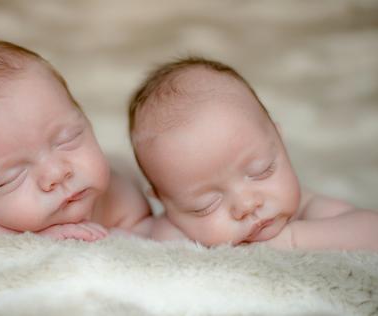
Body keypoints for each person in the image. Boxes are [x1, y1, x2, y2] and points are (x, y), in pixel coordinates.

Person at [0, 36, 152, 241]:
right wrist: (29, 241)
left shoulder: (119, 195)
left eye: (68, 139)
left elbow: (148, 237)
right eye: (11, 178)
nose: (56, 175)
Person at [128, 56, 378, 251]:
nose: (247, 205)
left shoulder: (308, 208)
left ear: (280, 141)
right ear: (164, 201)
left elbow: (371, 230)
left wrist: (292, 240)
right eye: (205, 205)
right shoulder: (173, 229)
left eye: (262, 170)